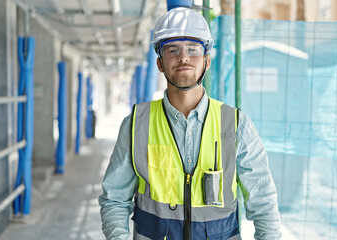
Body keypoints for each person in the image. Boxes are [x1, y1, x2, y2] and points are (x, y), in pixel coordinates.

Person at [99, 7, 282, 240]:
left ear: (206, 61)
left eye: (193, 49)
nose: (183, 57)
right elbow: (114, 199)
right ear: (160, 64)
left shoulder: (236, 125)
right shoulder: (136, 124)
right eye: (172, 49)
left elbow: (263, 203)